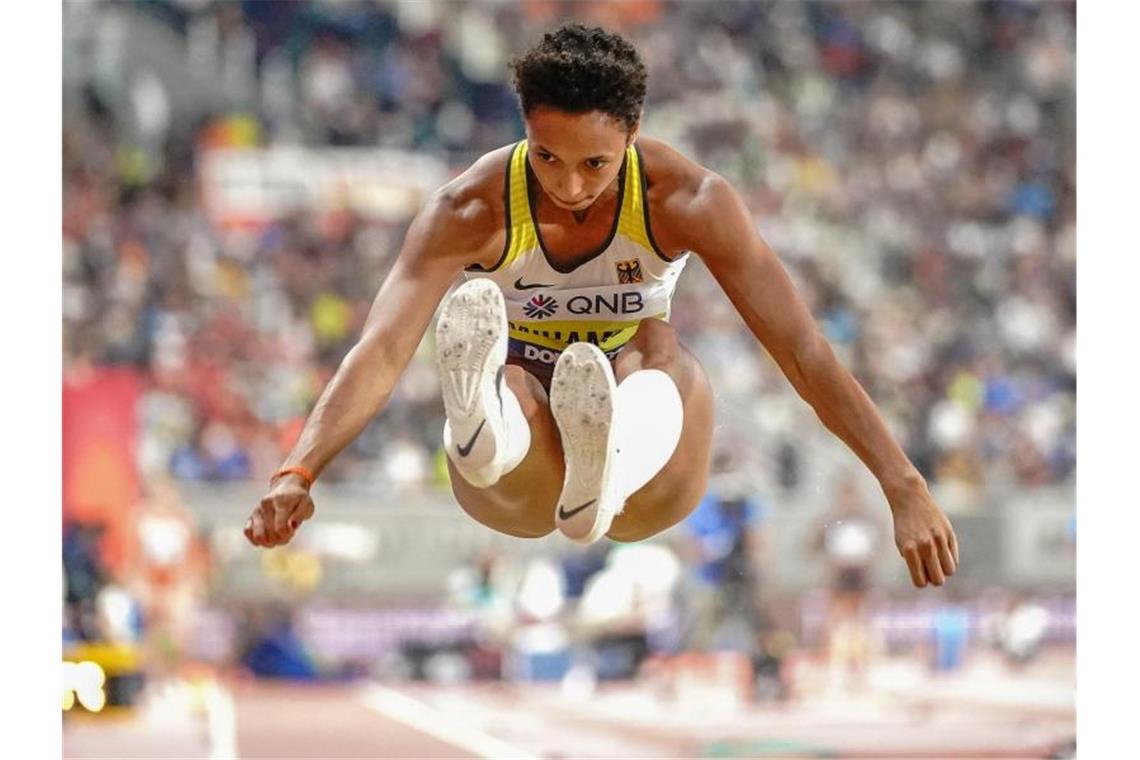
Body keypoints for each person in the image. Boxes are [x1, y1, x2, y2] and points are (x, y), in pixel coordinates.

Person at [245, 23, 958, 589]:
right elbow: (380, 352)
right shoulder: (468, 207)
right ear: (524, 127)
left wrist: (904, 484)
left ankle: (603, 459)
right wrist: (297, 471)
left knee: (655, 349)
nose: (571, 187)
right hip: (517, 471)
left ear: (633, 131)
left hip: (649, 461)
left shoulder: (689, 199)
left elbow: (802, 350)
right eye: (548, 156)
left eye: (596, 164)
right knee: (521, 372)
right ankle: (484, 427)